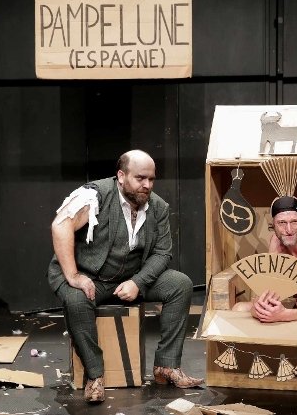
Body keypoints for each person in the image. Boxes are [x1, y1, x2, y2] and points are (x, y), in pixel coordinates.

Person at [47, 149, 203, 404]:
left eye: (151, 179)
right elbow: (60, 225)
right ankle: (95, 375)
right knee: (75, 299)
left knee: (180, 284)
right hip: (91, 277)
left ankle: (166, 365)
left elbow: (162, 253)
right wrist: (73, 275)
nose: (147, 185)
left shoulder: (158, 207)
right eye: (140, 178)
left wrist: (137, 282)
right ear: (121, 176)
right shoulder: (94, 196)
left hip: (129, 279)